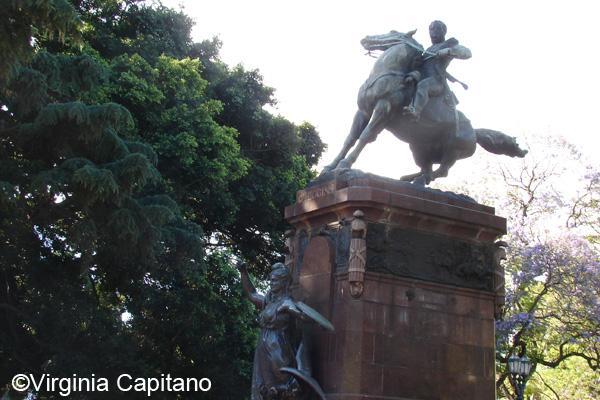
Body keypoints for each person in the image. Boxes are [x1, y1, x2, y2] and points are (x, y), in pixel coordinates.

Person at [237, 261, 304, 400]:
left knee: (279, 385)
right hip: (264, 348)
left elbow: (301, 316)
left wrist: (313, 319)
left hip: (278, 350)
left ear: (283, 282)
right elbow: (252, 294)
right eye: (270, 280)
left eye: (274, 280)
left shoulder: (287, 303)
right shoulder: (268, 301)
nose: (271, 283)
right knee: (263, 388)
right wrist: (244, 272)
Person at [403, 20, 471, 120]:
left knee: (423, 85)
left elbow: (467, 53)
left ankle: (416, 110)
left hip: (436, 81)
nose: (433, 31)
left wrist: (448, 51)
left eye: (437, 28)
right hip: (422, 77)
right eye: (431, 29)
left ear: (444, 31)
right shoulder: (428, 50)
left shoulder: (448, 44)